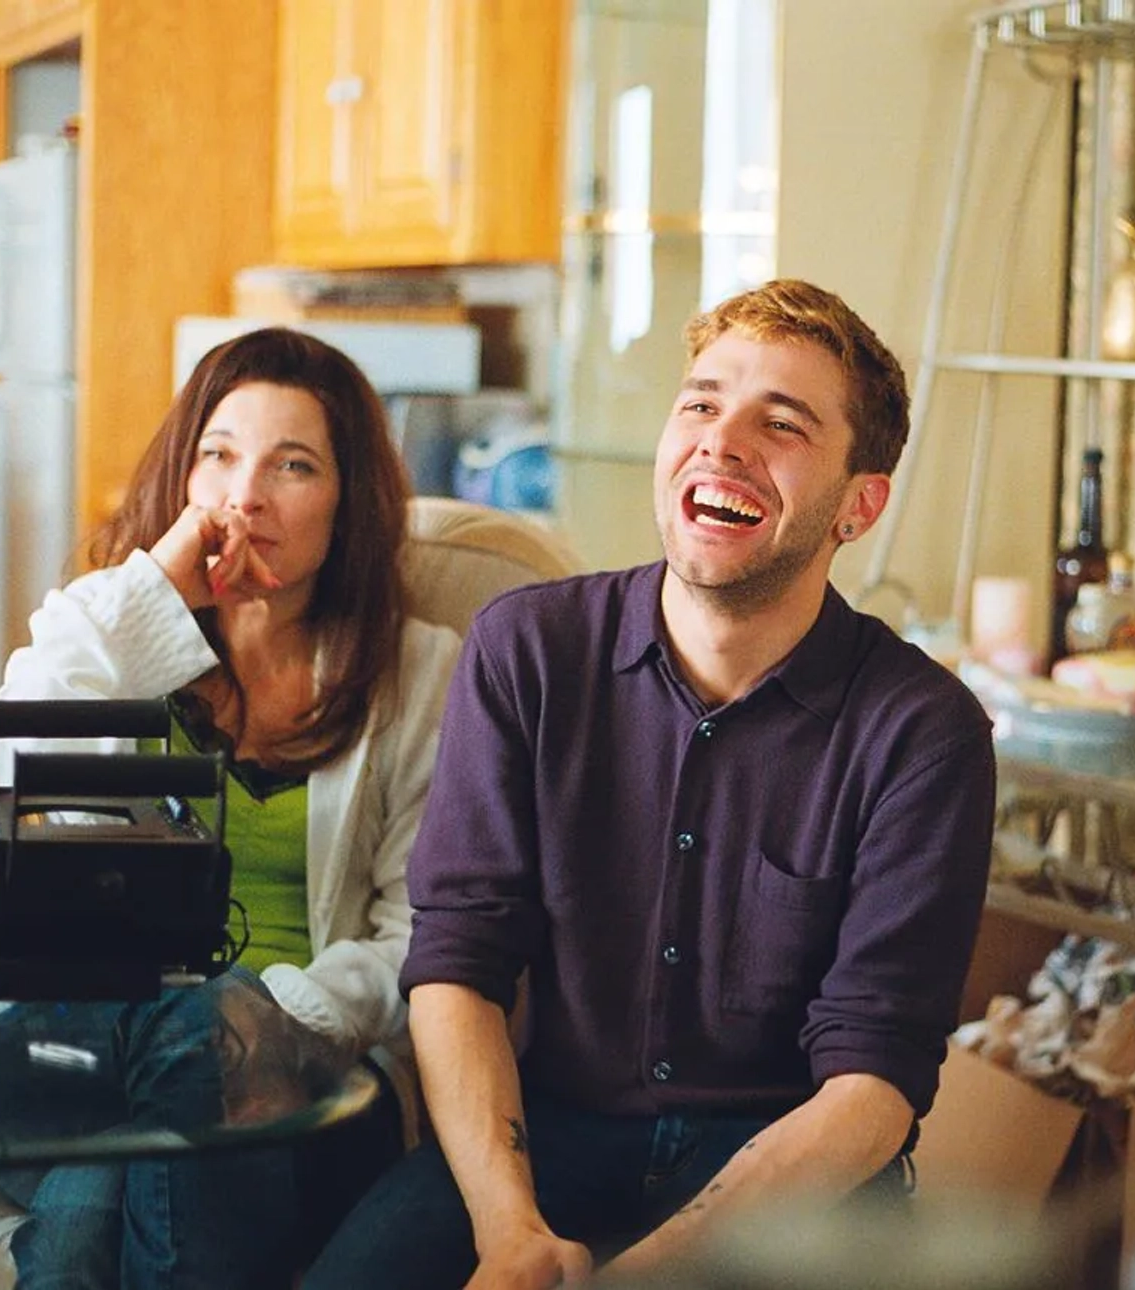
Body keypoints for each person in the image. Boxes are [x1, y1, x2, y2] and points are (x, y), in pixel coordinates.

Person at [305, 279, 997, 1289]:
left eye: (783, 422)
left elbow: (875, 1081)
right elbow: (458, 964)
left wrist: (650, 1270)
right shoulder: (525, 651)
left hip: (798, 1174)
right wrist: (509, 1232)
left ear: (861, 503)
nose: (723, 442)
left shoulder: (923, 732)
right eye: (702, 402)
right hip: (548, 1145)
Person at [0, 326, 462, 1289]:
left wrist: (258, 1021)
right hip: (76, 1052)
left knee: (84, 1216)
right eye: (217, 455)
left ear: (348, 504)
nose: (243, 495)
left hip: (306, 1084)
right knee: (164, 1063)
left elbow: (422, 929)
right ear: (183, 475)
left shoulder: (422, 673)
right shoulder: (112, 628)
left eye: (292, 465)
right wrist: (153, 598)